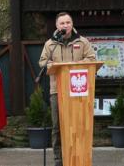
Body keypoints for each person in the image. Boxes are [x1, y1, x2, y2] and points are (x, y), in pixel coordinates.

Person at [39, 12, 96, 166]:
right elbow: (43, 62)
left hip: (79, 92)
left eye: (68, 22)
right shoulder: (50, 44)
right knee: (58, 127)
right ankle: (59, 160)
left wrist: (78, 65)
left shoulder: (83, 42)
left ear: (72, 24)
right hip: (57, 91)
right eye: (62, 23)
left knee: (79, 125)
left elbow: (92, 59)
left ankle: (80, 158)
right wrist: (53, 66)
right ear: (57, 26)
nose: (65, 25)